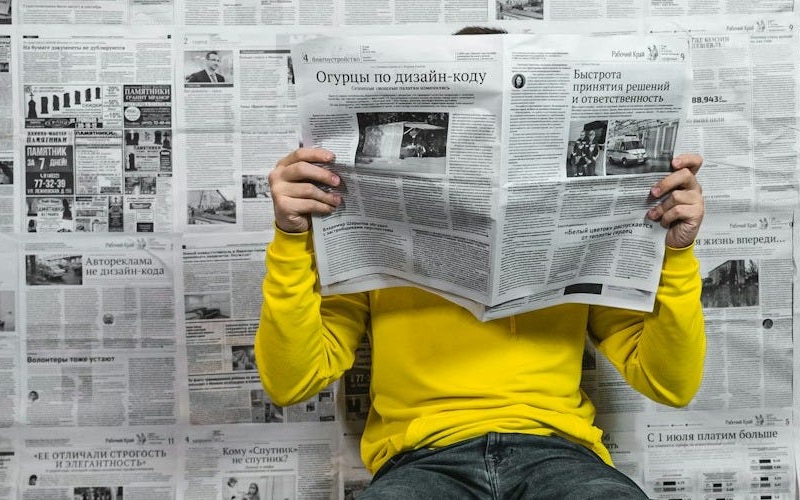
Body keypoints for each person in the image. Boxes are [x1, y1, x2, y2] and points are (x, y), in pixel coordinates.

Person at [256, 28, 706, 500]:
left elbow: (669, 383)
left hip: (559, 455)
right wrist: (290, 237)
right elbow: (292, 381)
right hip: (422, 463)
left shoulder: (580, 234)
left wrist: (677, 251)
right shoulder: (369, 227)